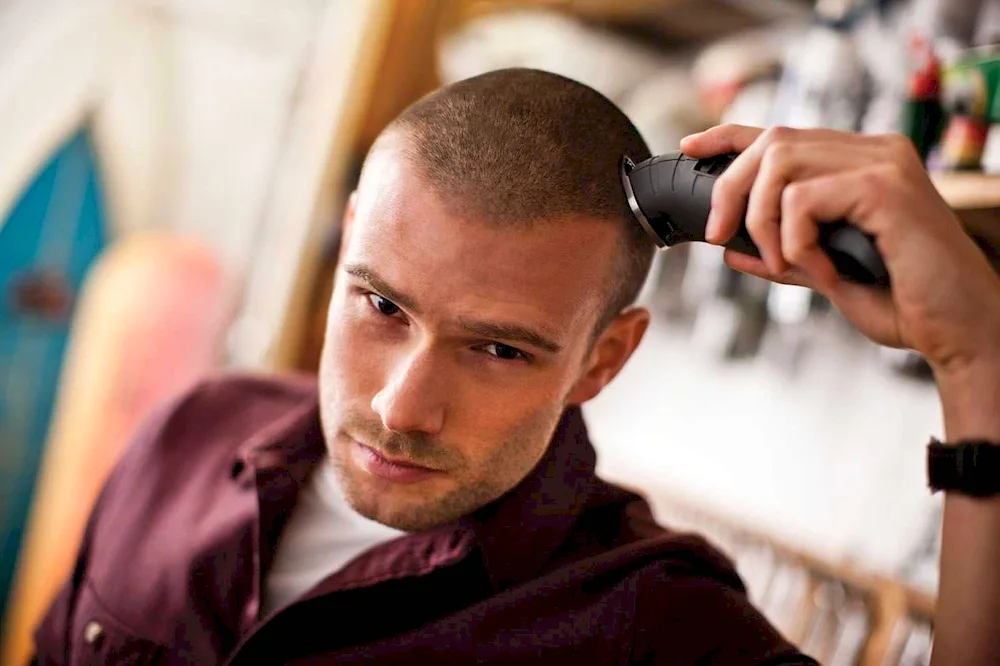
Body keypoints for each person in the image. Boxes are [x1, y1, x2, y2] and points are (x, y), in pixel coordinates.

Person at [29, 69, 1000, 665]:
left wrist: (978, 358)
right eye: (381, 305)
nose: (402, 408)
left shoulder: (651, 627)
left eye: (498, 349)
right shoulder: (189, 436)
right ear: (347, 246)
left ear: (602, 360)